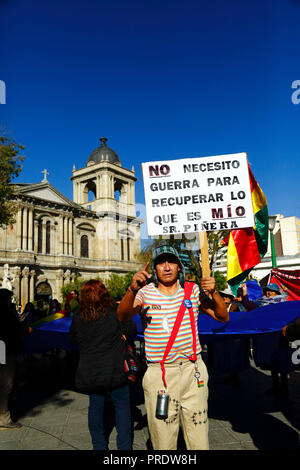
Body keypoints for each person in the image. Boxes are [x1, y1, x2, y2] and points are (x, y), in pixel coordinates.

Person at [117, 243, 228, 450]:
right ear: (154, 269)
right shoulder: (144, 293)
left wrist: (214, 293)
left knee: (199, 439)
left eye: (171, 262)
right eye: (160, 263)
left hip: (193, 370)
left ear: (179, 267)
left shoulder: (192, 290)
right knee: (164, 440)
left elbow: (223, 317)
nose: (166, 267)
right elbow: (122, 316)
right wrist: (132, 289)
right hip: (160, 374)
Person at [69, 280, 133, 450]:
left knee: (95, 407)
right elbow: (131, 329)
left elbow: (73, 339)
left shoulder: (79, 316)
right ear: (104, 293)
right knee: (122, 407)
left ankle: (99, 446)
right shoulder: (113, 312)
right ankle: (125, 447)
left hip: (91, 371)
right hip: (115, 368)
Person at [241, 283, 290, 396]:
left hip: (280, 337)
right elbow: (248, 305)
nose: (268, 293)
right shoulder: (262, 304)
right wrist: (244, 291)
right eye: (267, 291)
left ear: (277, 293)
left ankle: (284, 389)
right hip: (269, 338)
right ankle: (275, 386)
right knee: (273, 362)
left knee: (282, 362)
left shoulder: (284, 304)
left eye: (271, 291)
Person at [0, 288, 32, 430]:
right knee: (5, 384)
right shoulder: (6, 314)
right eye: (9, 299)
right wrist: (28, 330)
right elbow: (17, 330)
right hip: (5, 350)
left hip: (2, 349)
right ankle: (3, 418)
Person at [209, 288, 250, 386]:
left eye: (226, 297)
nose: (224, 298)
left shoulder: (236, 307)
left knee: (234, 357)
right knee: (227, 356)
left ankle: (235, 377)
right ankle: (231, 376)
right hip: (224, 337)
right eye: (222, 296)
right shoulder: (219, 307)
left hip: (234, 337)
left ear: (230, 298)